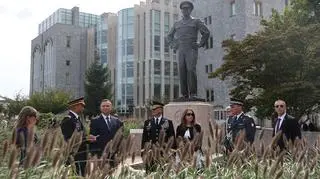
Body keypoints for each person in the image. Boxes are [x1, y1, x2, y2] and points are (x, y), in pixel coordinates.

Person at [167, 1, 210, 101]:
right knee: (182, 71)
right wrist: (174, 44)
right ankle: (184, 94)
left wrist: (200, 43)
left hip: (191, 48)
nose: (185, 10)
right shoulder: (177, 24)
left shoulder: (196, 21)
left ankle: (193, 93)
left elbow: (206, 32)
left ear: (190, 10)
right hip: (181, 49)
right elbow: (169, 36)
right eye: (183, 9)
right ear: (181, 10)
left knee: (190, 70)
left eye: (187, 8)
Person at [60, 97, 94, 176]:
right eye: (81, 105)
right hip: (75, 156)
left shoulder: (77, 119)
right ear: (75, 106)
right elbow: (70, 140)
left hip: (82, 154)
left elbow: (81, 135)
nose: (83, 107)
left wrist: (88, 137)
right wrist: (87, 139)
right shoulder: (68, 120)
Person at [141, 101, 175, 173]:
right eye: (152, 109)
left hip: (164, 153)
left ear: (160, 110)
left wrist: (172, 153)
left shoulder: (168, 122)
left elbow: (172, 138)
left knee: (163, 173)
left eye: (155, 109)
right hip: (150, 153)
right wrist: (143, 152)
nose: (152, 111)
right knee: (150, 173)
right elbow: (144, 139)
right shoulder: (148, 122)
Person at [89, 99, 123, 166]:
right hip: (101, 154)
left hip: (114, 154)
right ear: (100, 108)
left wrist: (120, 152)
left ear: (111, 107)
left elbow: (121, 138)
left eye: (107, 106)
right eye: (103, 106)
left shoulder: (117, 121)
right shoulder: (94, 121)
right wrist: (94, 155)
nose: (105, 107)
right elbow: (92, 139)